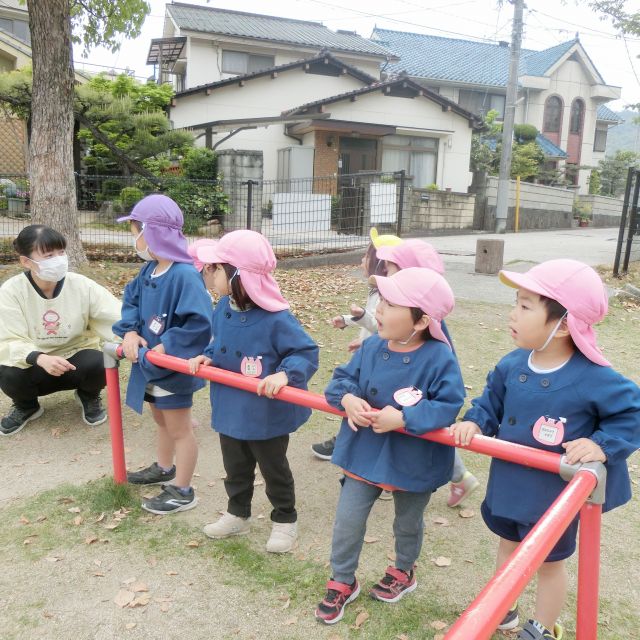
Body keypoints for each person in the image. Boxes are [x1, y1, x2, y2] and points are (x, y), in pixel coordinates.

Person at [450, 259, 640, 640]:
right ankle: (503, 606)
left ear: (565, 324)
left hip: (552, 497)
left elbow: (630, 412)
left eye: (524, 306)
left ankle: (541, 628)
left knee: (549, 563)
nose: (512, 314)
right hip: (509, 483)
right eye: (515, 303)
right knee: (508, 545)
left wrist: (599, 444)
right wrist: (476, 421)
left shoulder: (593, 377)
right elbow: (491, 402)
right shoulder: (512, 364)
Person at [315, 268, 465, 624]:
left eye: (391, 303)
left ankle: (403, 570)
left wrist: (405, 419)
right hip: (364, 450)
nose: (379, 310)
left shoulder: (439, 357)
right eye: (381, 300)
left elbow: (449, 404)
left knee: (408, 521)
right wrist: (348, 398)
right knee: (348, 519)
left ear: (421, 320)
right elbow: (340, 381)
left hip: (413, 458)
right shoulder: (371, 346)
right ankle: (342, 579)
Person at [188, 230, 319, 554]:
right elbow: (219, 341)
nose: (209, 273)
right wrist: (208, 353)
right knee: (235, 466)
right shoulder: (223, 308)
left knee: (273, 468)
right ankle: (237, 513)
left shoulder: (276, 318)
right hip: (230, 407)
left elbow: (305, 352)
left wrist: (286, 374)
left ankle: (285, 519)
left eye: (215, 268)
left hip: (265, 413)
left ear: (236, 275)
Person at [113, 195, 212, 515]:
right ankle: (164, 466)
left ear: (152, 231)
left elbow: (198, 322)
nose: (134, 240)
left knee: (180, 427)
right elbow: (130, 302)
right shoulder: (149, 270)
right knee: (160, 418)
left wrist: (167, 345)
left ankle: (182, 489)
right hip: (149, 366)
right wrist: (129, 331)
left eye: (134, 231)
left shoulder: (183, 275)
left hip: (171, 367)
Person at [375, 239, 480, 508]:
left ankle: (459, 476)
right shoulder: (397, 308)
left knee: (427, 432)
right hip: (397, 387)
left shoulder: (427, 321)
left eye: (391, 269)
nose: (386, 275)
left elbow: (444, 374)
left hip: (414, 392)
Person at [0, 225, 121, 436]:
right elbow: (8, 339)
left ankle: (89, 396)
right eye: (48, 255)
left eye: (61, 252)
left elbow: (114, 316)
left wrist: (131, 336)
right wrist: (39, 357)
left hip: (75, 358)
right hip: (35, 365)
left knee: (101, 361)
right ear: (26, 261)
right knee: (7, 371)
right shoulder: (11, 291)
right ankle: (27, 406)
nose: (58, 259)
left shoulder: (82, 285)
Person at [310, 227, 401, 461]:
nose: (362, 260)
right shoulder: (376, 291)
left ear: (380, 264)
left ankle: (457, 470)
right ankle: (343, 441)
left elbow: (378, 324)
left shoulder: (390, 296)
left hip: (386, 361)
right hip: (373, 355)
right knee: (358, 399)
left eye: (366, 256)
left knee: (380, 406)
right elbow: (374, 325)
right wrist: (357, 334)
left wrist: (358, 318)